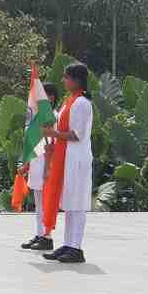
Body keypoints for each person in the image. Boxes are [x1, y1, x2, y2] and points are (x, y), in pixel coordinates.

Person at [41, 63, 95, 264]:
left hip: (77, 157)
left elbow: (76, 134)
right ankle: (68, 243)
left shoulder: (81, 103)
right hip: (66, 156)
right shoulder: (69, 101)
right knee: (69, 202)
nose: (63, 80)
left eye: (66, 77)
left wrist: (53, 133)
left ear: (76, 80)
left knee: (77, 203)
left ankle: (76, 247)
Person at [19, 81, 61, 251]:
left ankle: (47, 236)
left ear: (53, 98)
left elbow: (52, 144)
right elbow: (34, 145)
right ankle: (39, 233)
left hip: (47, 163)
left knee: (46, 203)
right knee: (38, 204)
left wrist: (47, 168)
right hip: (37, 163)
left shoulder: (53, 116)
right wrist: (27, 164)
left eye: (48, 95)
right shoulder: (36, 117)